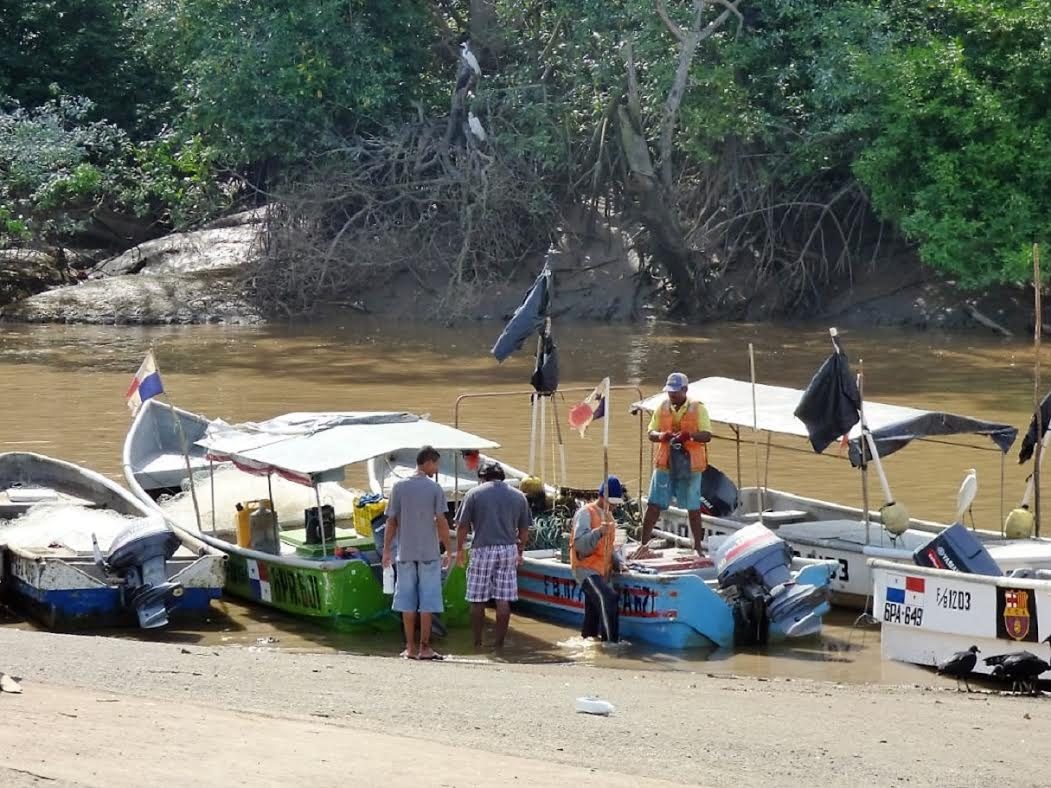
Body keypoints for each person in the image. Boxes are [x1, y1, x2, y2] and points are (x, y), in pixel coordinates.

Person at [382, 446, 451, 660]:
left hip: (405, 553)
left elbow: (391, 522)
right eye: (436, 464)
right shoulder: (434, 488)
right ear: (428, 462)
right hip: (429, 554)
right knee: (427, 604)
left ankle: (410, 648)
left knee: (407, 603)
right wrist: (449, 549)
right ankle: (425, 648)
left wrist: (386, 551)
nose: (437, 469)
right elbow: (441, 521)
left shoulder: (398, 487)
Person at [455, 459, 531, 649]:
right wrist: (520, 551)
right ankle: (499, 644)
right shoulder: (519, 496)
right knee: (503, 599)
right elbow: (524, 530)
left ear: (482, 477)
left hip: (482, 548)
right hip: (508, 549)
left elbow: (462, 526)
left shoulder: (474, 494)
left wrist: (459, 550)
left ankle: (477, 642)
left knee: (477, 598)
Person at [637, 371, 712, 554]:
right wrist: (662, 435)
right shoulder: (662, 406)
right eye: (669, 391)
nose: (671, 395)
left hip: (690, 465)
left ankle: (697, 547)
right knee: (654, 505)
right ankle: (643, 545)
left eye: (675, 391)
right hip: (665, 463)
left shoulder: (698, 408)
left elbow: (707, 435)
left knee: (693, 507)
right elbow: (650, 433)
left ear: (685, 390)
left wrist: (689, 436)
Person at [571, 476, 624, 643]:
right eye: (611, 502)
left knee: (593, 611)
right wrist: (599, 532)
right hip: (586, 568)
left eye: (616, 503)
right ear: (601, 496)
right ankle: (610, 642)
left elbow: (608, 547)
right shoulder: (586, 513)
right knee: (608, 597)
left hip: (601, 570)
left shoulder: (610, 518)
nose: (614, 506)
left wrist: (618, 562)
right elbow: (580, 545)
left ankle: (588, 641)